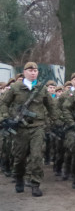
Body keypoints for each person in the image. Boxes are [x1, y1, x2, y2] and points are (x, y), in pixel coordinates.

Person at [0, 61, 57, 197]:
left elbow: (51, 107)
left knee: (37, 156)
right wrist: (6, 118)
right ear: (24, 72)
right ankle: (19, 178)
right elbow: (3, 103)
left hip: (37, 127)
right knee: (19, 158)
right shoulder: (15, 87)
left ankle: (35, 184)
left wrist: (53, 123)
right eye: (30, 70)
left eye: (35, 71)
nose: (33, 73)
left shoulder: (41, 89)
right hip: (20, 128)